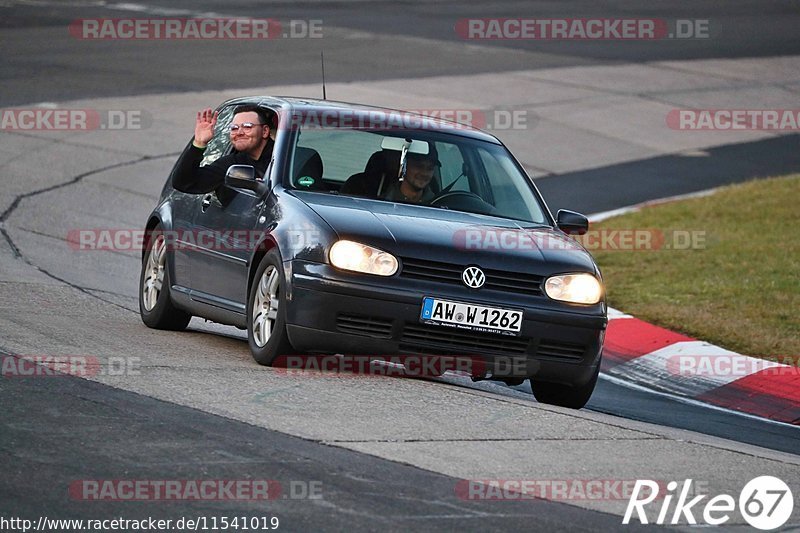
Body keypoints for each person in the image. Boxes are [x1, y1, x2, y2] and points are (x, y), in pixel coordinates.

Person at [171, 105, 273, 194]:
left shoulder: (286, 157)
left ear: (265, 131)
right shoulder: (233, 163)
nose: (239, 132)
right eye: (234, 128)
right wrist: (199, 144)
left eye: (247, 127)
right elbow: (183, 183)